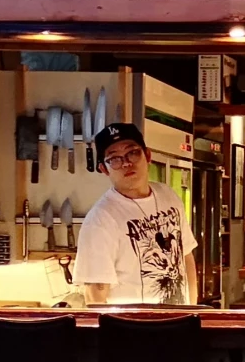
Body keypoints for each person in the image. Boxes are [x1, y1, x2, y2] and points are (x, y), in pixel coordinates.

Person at [73, 122, 199, 305]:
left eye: (132, 152)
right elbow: (95, 294)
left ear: (147, 155)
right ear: (103, 169)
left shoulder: (168, 196)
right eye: (114, 159)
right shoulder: (101, 219)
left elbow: (186, 256)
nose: (126, 163)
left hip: (180, 325)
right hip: (133, 330)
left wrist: (194, 312)